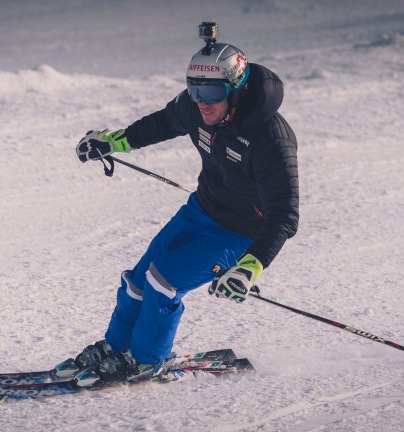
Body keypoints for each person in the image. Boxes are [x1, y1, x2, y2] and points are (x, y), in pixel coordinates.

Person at [74, 27, 299, 381]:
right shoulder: (198, 108)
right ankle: (116, 348)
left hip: (240, 234)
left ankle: (147, 360)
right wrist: (113, 143)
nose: (202, 101)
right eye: (194, 90)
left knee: (164, 280)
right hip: (201, 210)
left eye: (211, 91)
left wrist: (250, 267)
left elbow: (285, 215)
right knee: (138, 280)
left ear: (236, 90)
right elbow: (163, 122)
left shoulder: (270, 138)